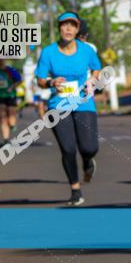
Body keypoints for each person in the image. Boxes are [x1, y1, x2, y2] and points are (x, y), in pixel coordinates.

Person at [36, 12, 103, 206]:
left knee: (89, 147)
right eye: (64, 25)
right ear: (59, 28)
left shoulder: (86, 50)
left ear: (77, 28)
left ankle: (88, 160)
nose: (67, 29)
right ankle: (75, 189)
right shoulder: (48, 52)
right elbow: (40, 80)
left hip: (83, 103)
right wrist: (51, 81)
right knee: (67, 149)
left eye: (71, 25)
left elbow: (96, 68)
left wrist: (93, 79)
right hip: (58, 105)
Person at [0, 59, 21, 143]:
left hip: (10, 95)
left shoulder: (11, 70)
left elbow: (19, 80)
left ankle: (12, 125)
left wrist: (12, 87)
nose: (1, 60)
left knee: (11, 114)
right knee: (3, 117)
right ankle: (6, 138)